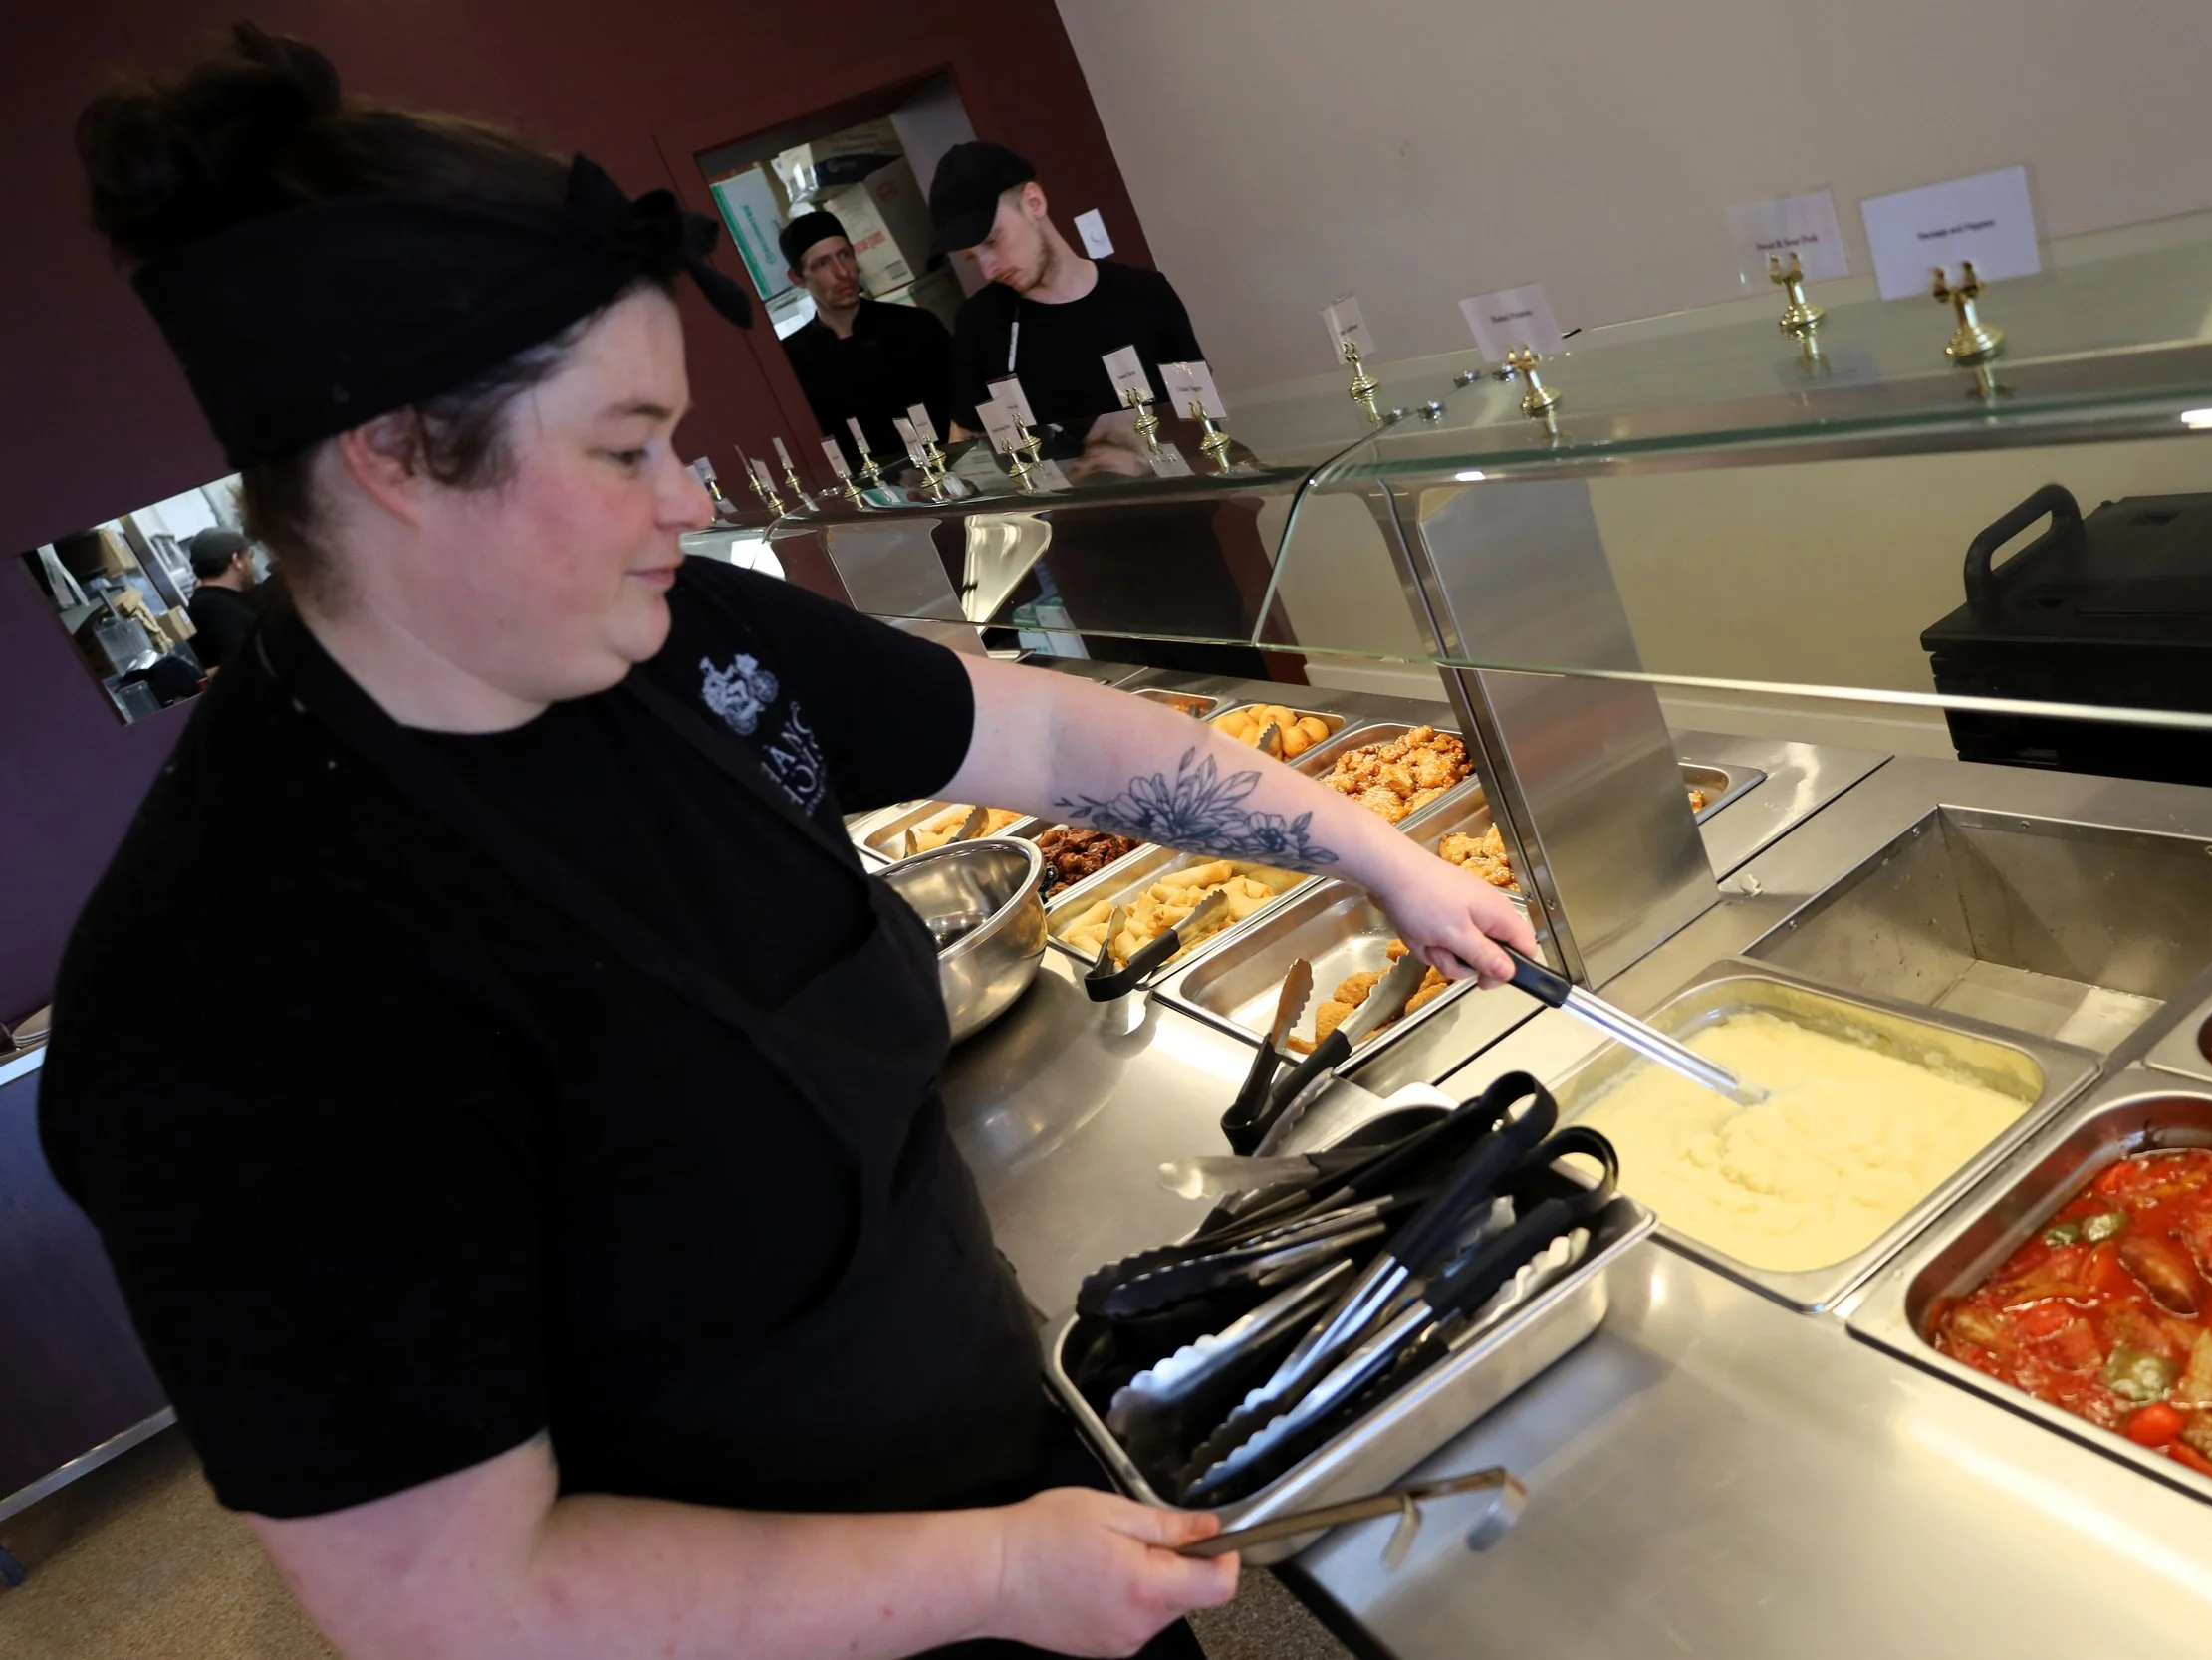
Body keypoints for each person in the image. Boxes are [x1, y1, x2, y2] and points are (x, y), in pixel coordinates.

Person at [41, 27, 1532, 1660]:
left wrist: (1355, 845)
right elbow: (455, 1601)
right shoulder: (230, 998)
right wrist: (991, 1579)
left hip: (1017, 1486)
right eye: (624, 449)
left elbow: (1020, 726)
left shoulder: (671, 636)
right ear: (392, 454)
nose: (687, 501)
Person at [934, 142, 1202, 435]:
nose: (988, 270)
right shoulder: (979, 324)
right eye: (972, 258)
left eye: (992, 242)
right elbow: (966, 438)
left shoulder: (1146, 293)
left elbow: (1199, 413)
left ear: (1033, 203)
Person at [776, 209, 952, 469]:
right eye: (822, 263)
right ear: (798, 278)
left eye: (844, 255)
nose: (841, 272)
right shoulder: (792, 359)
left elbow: (962, 411)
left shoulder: (916, 326)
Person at [181, 526, 261, 670]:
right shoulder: (213, 608)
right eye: (249, 555)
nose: (251, 563)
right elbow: (246, 663)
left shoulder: (215, 601)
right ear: (236, 559)